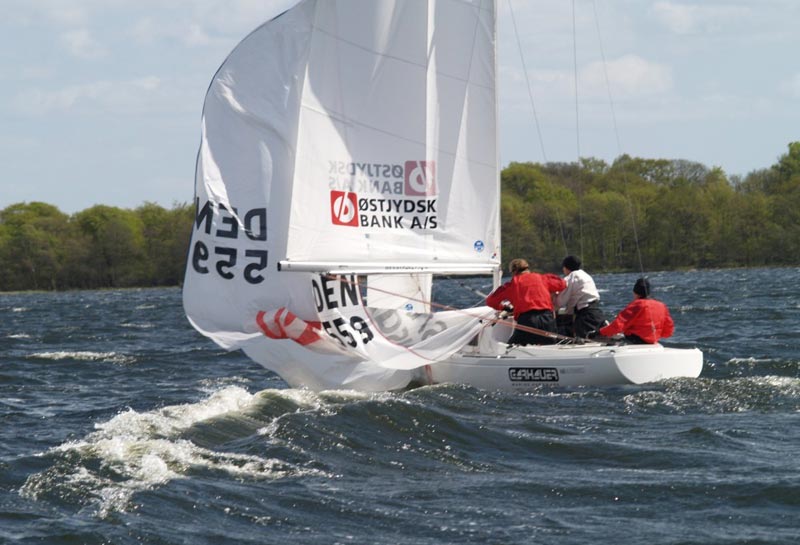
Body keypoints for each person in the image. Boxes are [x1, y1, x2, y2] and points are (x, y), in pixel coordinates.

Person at [486, 258, 566, 345]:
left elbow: (491, 301)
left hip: (527, 320)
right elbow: (562, 284)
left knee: (511, 348)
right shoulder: (542, 278)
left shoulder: (513, 284)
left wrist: (503, 307)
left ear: (514, 272)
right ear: (527, 269)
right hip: (547, 318)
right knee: (551, 347)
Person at [598, 277, 674, 344]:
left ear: (635, 292)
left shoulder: (637, 305)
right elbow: (668, 331)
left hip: (634, 341)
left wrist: (600, 332)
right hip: (653, 342)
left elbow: (618, 325)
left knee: (609, 343)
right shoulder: (662, 306)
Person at [555, 255, 606, 338]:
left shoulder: (571, 277)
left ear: (565, 267)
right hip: (596, 312)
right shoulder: (586, 275)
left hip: (586, 316)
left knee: (585, 340)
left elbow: (560, 301)